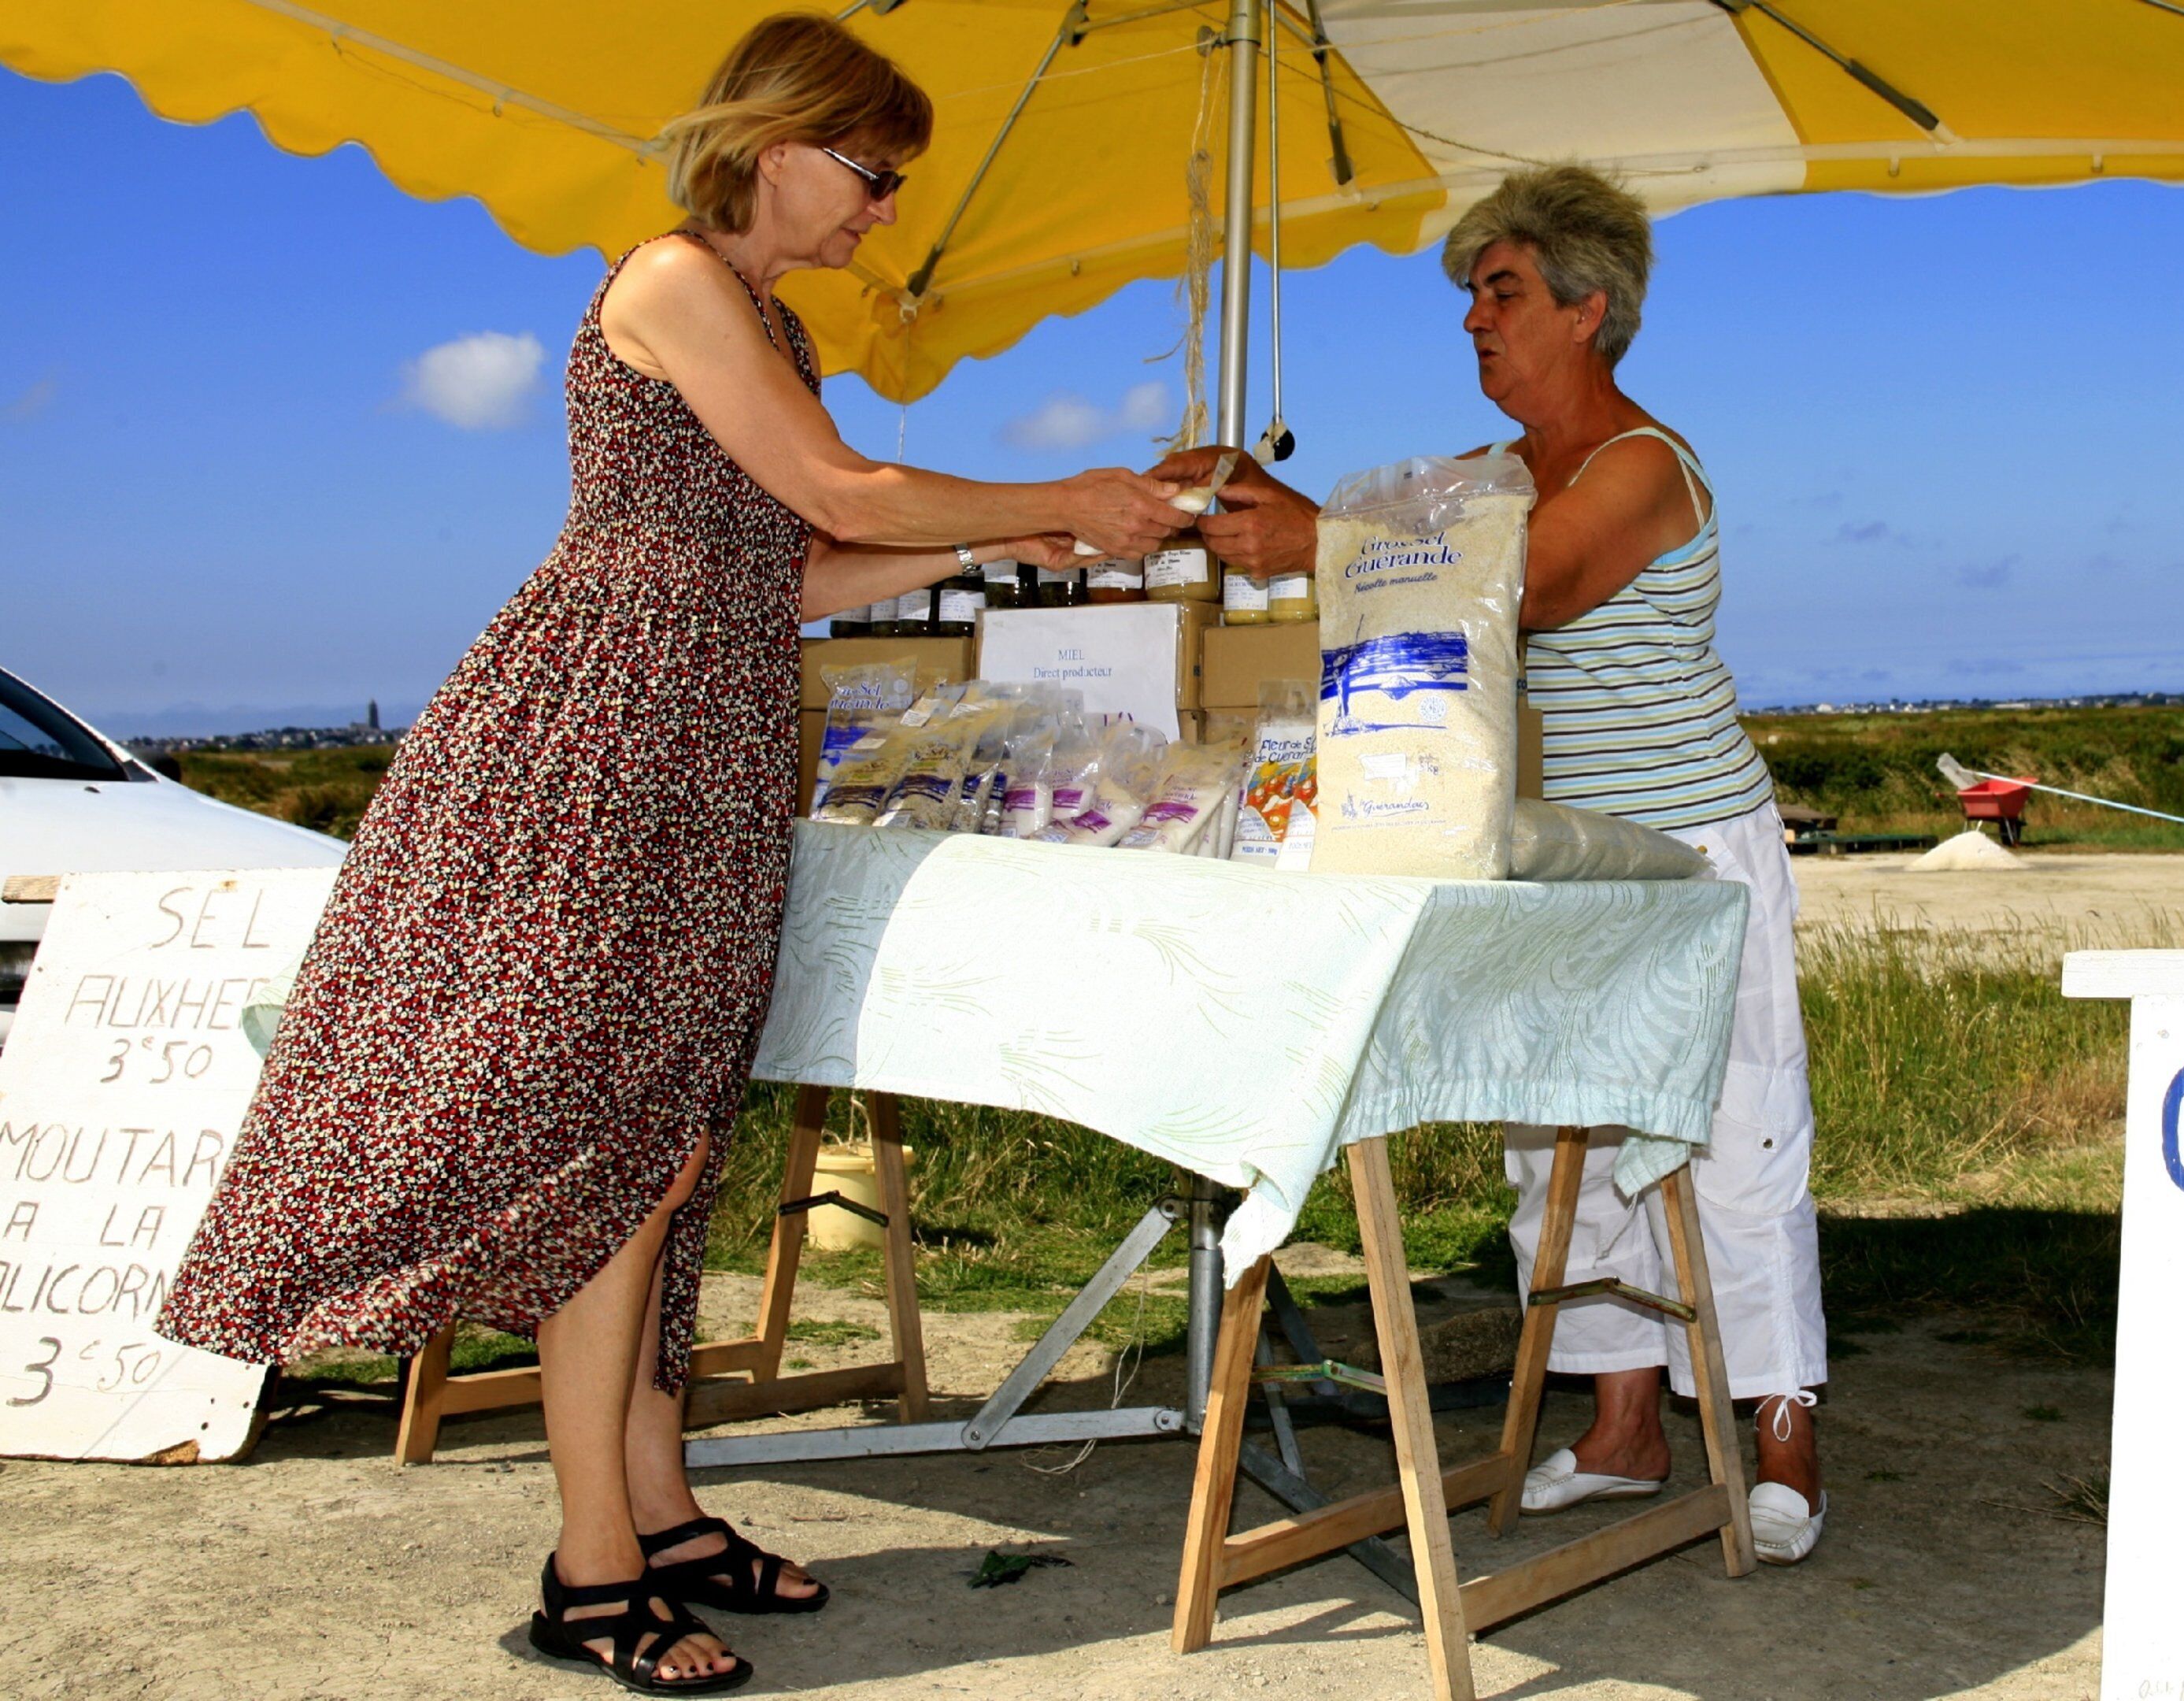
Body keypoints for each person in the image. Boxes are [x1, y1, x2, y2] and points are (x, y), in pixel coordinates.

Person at [156, 14, 1187, 1692]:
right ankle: (592, 1570)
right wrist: (1046, 489)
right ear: (780, 146)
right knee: (613, 1153)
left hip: (694, 747)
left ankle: (660, 1509)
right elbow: (839, 489)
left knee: (671, 1145)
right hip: (598, 744)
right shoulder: (673, 281)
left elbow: (791, 571)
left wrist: (1026, 533)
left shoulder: (772, 325)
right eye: (875, 175)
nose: (886, 212)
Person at [1155, 165, 1828, 1563]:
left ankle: (1782, 1434)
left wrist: (1314, 538)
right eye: (1471, 295)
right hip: (1549, 853)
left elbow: (1534, 584)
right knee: (1559, 1139)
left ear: (1588, 309)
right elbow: (1394, 550)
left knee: (1737, 1135)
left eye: (1503, 292)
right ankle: (1625, 1427)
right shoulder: (1489, 475)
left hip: (1693, 855)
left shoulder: (1644, 466)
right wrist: (1256, 496)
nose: (1475, 319)